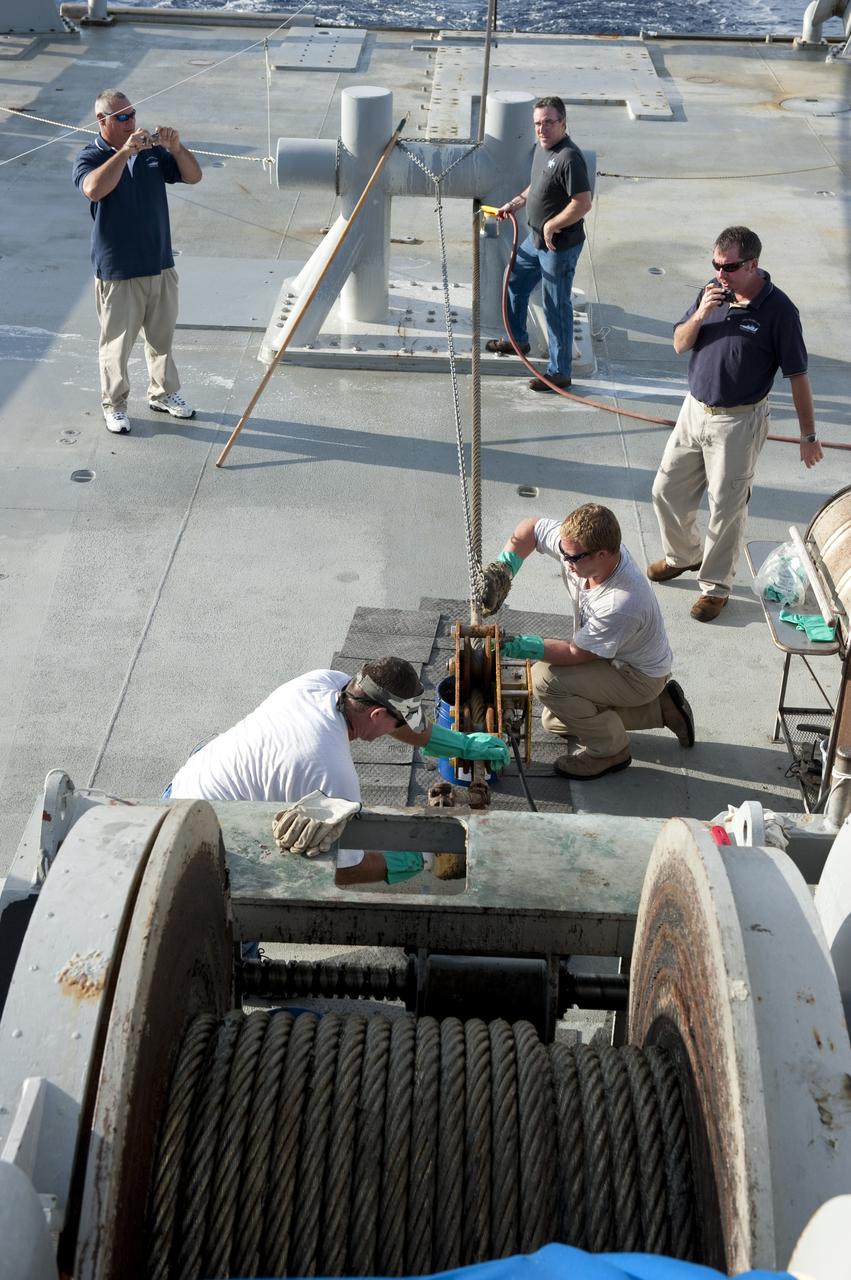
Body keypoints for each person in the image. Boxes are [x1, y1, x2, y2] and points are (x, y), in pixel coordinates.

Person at [167, 657, 508, 886]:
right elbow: (343, 870)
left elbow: (394, 721)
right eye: (397, 720)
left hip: (185, 788)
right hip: (202, 844)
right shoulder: (332, 774)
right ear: (376, 715)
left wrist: (460, 745)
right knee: (242, 915)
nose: (398, 728)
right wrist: (418, 859)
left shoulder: (325, 682)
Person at [648, 225, 824, 622]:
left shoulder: (780, 312)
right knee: (664, 491)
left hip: (738, 423)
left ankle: (715, 587)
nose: (720, 274)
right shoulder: (711, 293)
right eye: (715, 265)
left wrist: (808, 436)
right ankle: (684, 555)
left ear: (753, 264)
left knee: (726, 507)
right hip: (693, 411)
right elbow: (680, 344)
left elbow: (798, 377)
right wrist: (703, 312)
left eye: (728, 267)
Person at [478, 504, 694, 780]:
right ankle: (662, 708)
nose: (565, 561)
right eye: (563, 552)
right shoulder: (578, 548)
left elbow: (575, 652)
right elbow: (530, 529)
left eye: (572, 558)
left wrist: (520, 644)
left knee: (545, 679)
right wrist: (503, 570)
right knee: (554, 721)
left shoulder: (621, 602)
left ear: (602, 554)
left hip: (637, 676)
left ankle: (611, 751)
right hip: (615, 655)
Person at [72, 89, 202, 435]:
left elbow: (192, 176)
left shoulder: (153, 154)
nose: (132, 122)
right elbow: (93, 190)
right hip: (118, 270)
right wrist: (125, 153)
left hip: (159, 263)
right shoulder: (90, 156)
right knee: (116, 345)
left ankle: (164, 393)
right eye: (123, 117)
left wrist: (176, 147)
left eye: (132, 114)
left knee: (162, 338)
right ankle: (114, 405)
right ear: (102, 120)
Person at [486, 95, 592, 393]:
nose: (542, 129)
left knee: (555, 306)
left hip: (559, 246)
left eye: (548, 122)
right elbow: (538, 185)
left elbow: (583, 203)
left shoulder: (570, 157)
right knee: (516, 282)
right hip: (535, 240)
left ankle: (560, 373)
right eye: (537, 123)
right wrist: (515, 203)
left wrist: (551, 225)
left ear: (563, 123)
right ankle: (518, 339)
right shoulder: (543, 149)